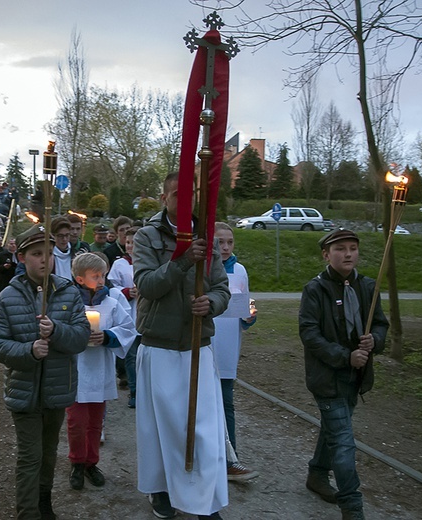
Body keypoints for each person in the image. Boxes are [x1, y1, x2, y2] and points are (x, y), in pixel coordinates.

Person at [132, 172, 231, 520]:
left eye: (190, 193)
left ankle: (204, 499)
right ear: (164, 198)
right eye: (177, 194)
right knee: (159, 426)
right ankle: (160, 488)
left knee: (201, 427)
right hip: (159, 343)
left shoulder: (208, 238)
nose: (184, 200)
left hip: (196, 344)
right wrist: (184, 260)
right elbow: (146, 284)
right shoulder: (146, 236)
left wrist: (212, 305)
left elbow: (221, 287)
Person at [0, 223, 90, 520]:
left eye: (48, 252)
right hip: (25, 393)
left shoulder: (68, 293)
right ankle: (28, 512)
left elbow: (81, 337)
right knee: (30, 457)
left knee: (48, 454)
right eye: (36, 254)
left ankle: (44, 501)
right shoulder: (8, 297)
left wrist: (57, 330)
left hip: (57, 391)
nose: (45, 259)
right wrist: (29, 351)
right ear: (21, 257)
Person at [299, 229, 388, 520]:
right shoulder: (316, 289)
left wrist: (374, 340)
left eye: (352, 248)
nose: (348, 254)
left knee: (334, 430)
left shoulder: (367, 287)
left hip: (357, 377)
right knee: (344, 442)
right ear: (326, 254)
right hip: (327, 378)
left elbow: (380, 325)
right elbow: (309, 334)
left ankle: (316, 474)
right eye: (340, 249)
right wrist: (344, 356)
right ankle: (352, 507)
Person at [67, 252, 135, 491]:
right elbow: (61, 329)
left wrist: (107, 336)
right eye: (96, 276)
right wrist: (77, 336)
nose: (102, 279)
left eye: (103, 275)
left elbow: (127, 328)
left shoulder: (112, 301)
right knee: (77, 421)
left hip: (100, 368)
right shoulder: (70, 301)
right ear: (79, 279)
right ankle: (76, 461)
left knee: (96, 421)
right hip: (76, 368)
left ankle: (91, 463)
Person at [210, 222, 258, 481]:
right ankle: (204, 456)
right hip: (203, 346)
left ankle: (230, 458)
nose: (225, 247)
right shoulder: (203, 270)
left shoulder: (240, 271)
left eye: (229, 242)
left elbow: (247, 308)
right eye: (219, 242)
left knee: (226, 403)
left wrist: (250, 317)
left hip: (228, 349)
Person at [107, 226, 141, 408]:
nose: (130, 246)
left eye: (134, 243)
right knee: (131, 355)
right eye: (128, 242)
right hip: (129, 312)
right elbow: (113, 288)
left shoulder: (148, 263)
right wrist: (128, 291)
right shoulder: (120, 264)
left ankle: (147, 391)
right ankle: (134, 391)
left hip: (146, 313)